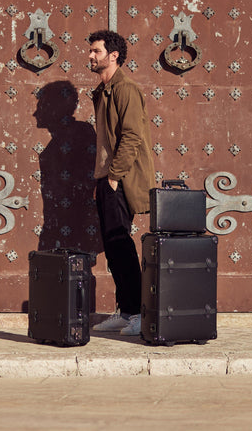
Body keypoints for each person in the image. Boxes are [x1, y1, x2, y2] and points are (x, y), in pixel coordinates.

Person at [87, 29, 155, 336]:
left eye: (96, 51)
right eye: (91, 51)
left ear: (113, 55)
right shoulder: (103, 91)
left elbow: (131, 138)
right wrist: (102, 178)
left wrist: (113, 177)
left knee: (121, 244)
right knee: (114, 247)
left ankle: (139, 313)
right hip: (107, 178)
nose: (91, 56)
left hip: (121, 178)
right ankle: (126, 310)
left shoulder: (126, 89)